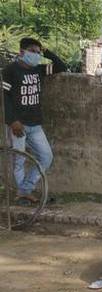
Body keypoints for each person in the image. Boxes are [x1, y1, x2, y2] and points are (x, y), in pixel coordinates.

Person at [2, 37, 66, 204]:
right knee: (19, 160)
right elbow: (4, 97)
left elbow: (61, 66)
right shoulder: (10, 70)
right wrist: (12, 120)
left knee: (46, 157)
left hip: (35, 123)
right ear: (22, 52)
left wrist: (45, 50)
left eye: (38, 53)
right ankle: (22, 197)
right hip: (17, 124)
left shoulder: (39, 69)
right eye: (33, 51)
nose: (36, 55)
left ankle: (24, 190)